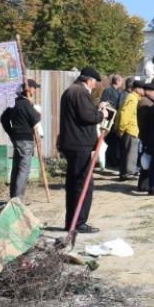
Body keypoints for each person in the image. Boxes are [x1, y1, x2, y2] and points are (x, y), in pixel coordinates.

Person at [58, 67, 106, 233]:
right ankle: (78, 223)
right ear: (89, 80)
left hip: (72, 143)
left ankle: (71, 221)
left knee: (74, 184)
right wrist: (102, 114)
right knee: (82, 184)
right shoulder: (80, 92)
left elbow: (81, 113)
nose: (95, 86)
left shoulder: (71, 91)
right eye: (94, 82)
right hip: (79, 144)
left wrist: (97, 108)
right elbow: (88, 116)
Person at [1, 79, 42, 201]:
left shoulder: (14, 103)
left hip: (17, 139)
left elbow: (3, 119)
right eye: (34, 88)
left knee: (16, 168)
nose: (35, 90)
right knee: (24, 169)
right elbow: (35, 119)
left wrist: (11, 133)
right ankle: (17, 200)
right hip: (26, 140)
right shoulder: (26, 104)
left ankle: (13, 197)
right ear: (30, 89)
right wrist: (36, 110)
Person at [115, 78, 142, 180]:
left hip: (127, 129)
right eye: (142, 88)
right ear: (137, 89)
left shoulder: (131, 97)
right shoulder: (132, 98)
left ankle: (123, 173)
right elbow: (124, 114)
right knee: (131, 153)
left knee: (125, 152)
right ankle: (129, 173)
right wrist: (121, 129)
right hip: (129, 129)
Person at [134, 80, 154, 192]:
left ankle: (144, 184)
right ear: (149, 91)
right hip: (147, 135)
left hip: (146, 134)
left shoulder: (147, 101)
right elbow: (145, 121)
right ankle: (144, 184)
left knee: (147, 160)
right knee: (146, 161)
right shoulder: (145, 102)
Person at [100, 74, 124, 172]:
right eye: (121, 81)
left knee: (115, 141)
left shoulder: (119, 92)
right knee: (109, 140)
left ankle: (115, 160)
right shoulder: (108, 90)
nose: (122, 83)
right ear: (117, 81)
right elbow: (104, 103)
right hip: (109, 120)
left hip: (116, 120)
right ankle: (110, 161)